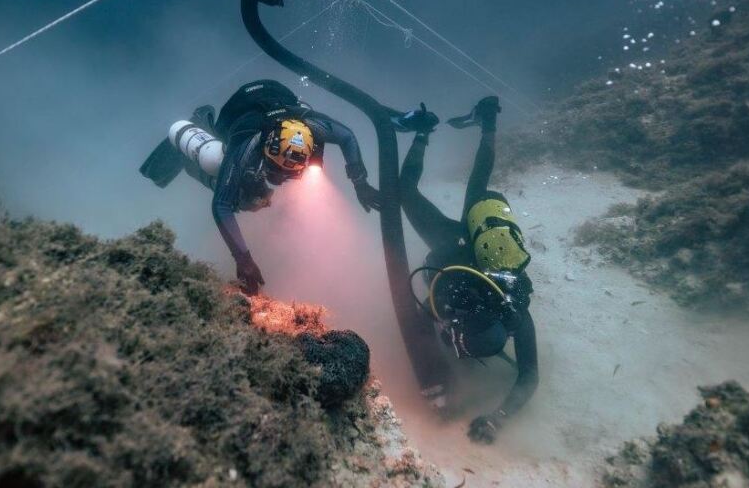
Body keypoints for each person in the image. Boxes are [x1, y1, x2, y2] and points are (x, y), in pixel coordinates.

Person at [141, 79, 381, 294]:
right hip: (237, 112)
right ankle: (202, 121)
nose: (282, 179)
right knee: (235, 188)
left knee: (290, 179)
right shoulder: (246, 144)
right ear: (265, 152)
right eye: (277, 171)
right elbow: (221, 205)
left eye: (290, 173)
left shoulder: (311, 127)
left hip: (282, 96)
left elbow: (347, 136)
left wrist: (361, 184)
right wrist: (243, 259)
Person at [398, 96, 539, 445]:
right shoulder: (451, 295)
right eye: (459, 343)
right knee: (405, 192)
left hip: (468, 247)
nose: (456, 347)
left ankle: (478, 122)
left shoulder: (515, 312)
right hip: (452, 246)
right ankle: (425, 132)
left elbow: (530, 376)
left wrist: (498, 418)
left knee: (476, 185)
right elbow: (415, 319)